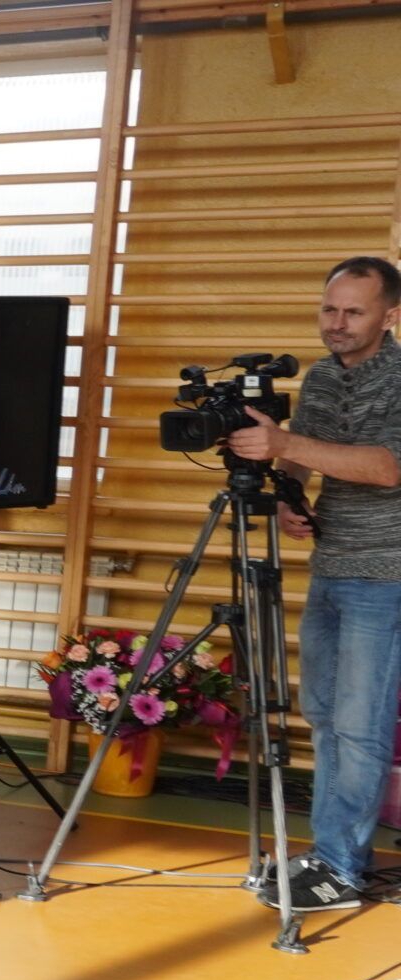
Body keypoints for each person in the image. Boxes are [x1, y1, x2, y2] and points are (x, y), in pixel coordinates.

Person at [226, 256, 401, 911]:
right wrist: (289, 499)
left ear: (390, 315)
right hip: (331, 565)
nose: (337, 322)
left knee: (359, 723)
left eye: (354, 311)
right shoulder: (323, 377)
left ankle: (342, 868)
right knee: (326, 716)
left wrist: (284, 446)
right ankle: (332, 851)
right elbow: (303, 455)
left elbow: (387, 467)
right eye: (330, 309)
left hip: (386, 574)